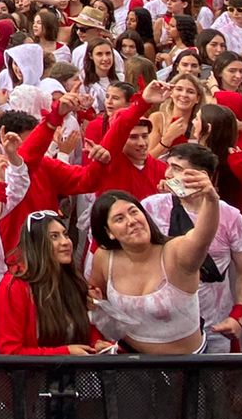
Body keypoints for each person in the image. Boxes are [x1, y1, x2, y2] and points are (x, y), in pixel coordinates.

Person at [86, 145, 221, 355]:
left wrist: (211, 199)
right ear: (109, 232)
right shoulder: (105, 258)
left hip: (186, 368)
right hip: (131, 363)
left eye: (134, 212)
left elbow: (202, 238)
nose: (132, 221)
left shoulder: (174, 252)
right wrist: (98, 338)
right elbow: (94, 302)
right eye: (119, 219)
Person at [0, 208, 109, 355]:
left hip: (77, 373)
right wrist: (65, 353)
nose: (65, 242)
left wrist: (96, 343)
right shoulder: (13, 288)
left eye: (65, 235)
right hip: (35, 376)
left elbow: (84, 329)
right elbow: (10, 351)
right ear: (36, 244)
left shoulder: (73, 280)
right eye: (54, 237)